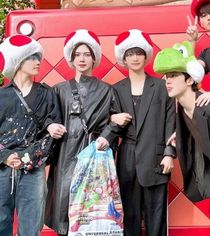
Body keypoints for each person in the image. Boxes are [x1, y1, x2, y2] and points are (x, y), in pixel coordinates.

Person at [154, 41, 210, 236]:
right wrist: (180, 136)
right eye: (166, 76)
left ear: (190, 80)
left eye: (173, 75)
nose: (168, 81)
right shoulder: (183, 111)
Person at [45, 29, 121, 235]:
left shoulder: (107, 90)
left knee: (93, 209)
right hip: (65, 155)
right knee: (64, 204)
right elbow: (48, 118)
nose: (82, 59)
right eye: (77, 54)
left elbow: (117, 120)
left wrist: (106, 136)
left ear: (94, 58)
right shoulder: (59, 89)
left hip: (94, 154)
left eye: (87, 54)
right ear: (71, 58)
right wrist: (51, 126)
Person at [110, 29, 176, 236]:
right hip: (127, 161)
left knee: (156, 217)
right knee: (129, 217)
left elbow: (171, 122)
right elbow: (108, 123)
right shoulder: (117, 89)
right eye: (130, 53)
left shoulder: (161, 86)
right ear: (124, 58)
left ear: (146, 56)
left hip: (156, 161)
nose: (135, 57)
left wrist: (169, 153)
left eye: (139, 52)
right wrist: (112, 119)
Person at [0, 34, 64, 236]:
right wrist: (5, 157)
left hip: (33, 169)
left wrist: (26, 157)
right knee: (1, 222)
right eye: (32, 58)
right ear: (18, 61)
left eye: (38, 57)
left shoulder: (47, 94)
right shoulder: (2, 95)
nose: (38, 62)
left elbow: (52, 135)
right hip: (2, 168)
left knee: (31, 225)